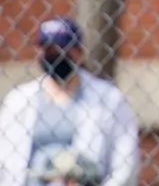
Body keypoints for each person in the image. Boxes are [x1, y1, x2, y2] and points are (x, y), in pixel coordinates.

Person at [0, 17, 141, 186]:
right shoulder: (19, 100)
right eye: (49, 51)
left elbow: (125, 164)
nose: (56, 57)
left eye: (63, 50)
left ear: (79, 53)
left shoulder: (109, 99)